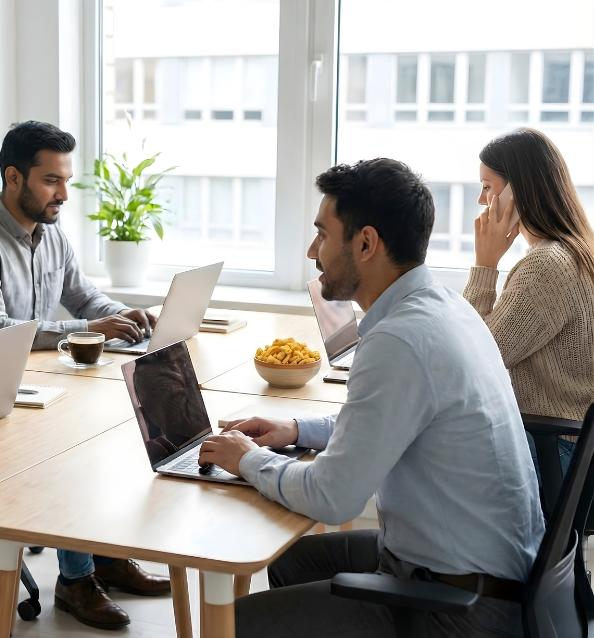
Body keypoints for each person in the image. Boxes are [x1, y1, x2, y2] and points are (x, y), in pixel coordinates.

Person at [198, 158, 545, 638]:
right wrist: (296, 431)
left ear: (365, 243)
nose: (311, 251)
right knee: (294, 563)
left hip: (466, 607)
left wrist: (250, 460)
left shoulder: (399, 340)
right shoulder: (443, 307)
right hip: (492, 573)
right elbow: (389, 420)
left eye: (323, 234)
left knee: (233, 624)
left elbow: (332, 497)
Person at [0, 120, 169, 629]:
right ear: (13, 178)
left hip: (37, 380)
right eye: (51, 181)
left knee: (115, 422)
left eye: (65, 180)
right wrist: (90, 327)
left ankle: (103, 558)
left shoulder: (51, 233)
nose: (63, 193)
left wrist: (128, 318)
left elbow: (86, 297)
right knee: (73, 446)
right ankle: (76, 580)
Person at [464, 128, 594, 479]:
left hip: (558, 454)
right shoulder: (573, 249)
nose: (481, 200)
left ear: (517, 191)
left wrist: (484, 266)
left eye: (487, 186)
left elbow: (472, 360)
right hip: (576, 450)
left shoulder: (547, 265)